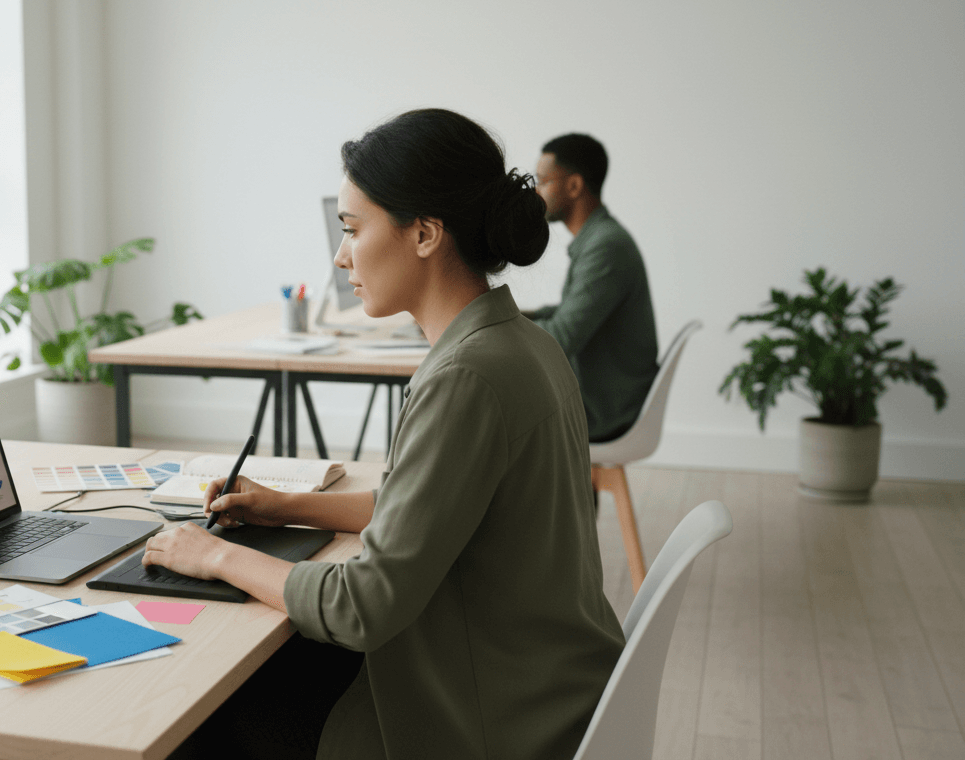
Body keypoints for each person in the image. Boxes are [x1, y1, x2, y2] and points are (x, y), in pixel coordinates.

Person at [147, 109, 624, 760]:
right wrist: (282, 505)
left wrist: (213, 556)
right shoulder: (523, 343)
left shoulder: (467, 377)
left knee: (196, 711)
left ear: (425, 233)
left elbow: (363, 605)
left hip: (485, 723)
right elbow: (423, 507)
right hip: (544, 688)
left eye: (352, 229)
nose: (341, 255)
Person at [528, 134, 658, 442]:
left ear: (574, 186)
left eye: (543, 180)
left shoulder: (606, 247)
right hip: (603, 396)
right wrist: (510, 316)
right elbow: (564, 315)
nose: (535, 190)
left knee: (484, 403)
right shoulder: (599, 239)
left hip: (605, 408)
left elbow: (562, 337)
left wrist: (497, 331)